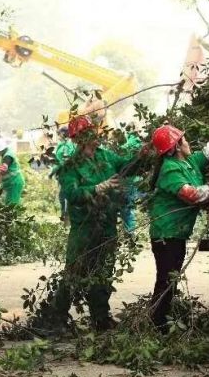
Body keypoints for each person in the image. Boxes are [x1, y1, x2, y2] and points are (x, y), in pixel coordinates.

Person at [44, 115, 139, 332]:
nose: (95, 137)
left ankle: (101, 318)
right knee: (74, 272)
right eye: (89, 134)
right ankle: (56, 320)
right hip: (84, 228)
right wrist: (98, 187)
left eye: (95, 133)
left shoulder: (106, 156)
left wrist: (141, 155)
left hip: (107, 225)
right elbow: (72, 193)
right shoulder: (71, 166)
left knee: (103, 272)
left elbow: (127, 167)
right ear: (79, 139)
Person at [148, 124, 209, 331]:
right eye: (184, 140)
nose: (188, 142)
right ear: (176, 146)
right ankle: (157, 324)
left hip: (176, 234)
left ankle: (159, 321)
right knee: (166, 280)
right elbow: (192, 195)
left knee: (171, 278)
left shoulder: (188, 163)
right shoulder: (170, 169)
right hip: (166, 235)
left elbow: (208, 150)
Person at [50, 126, 76, 222]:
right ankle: (65, 216)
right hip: (62, 175)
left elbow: (65, 160)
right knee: (63, 196)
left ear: (64, 134)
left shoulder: (67, 145)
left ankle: (67, 217)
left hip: (67, 174)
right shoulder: (62, 144)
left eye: (59, 134)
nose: (58, 136)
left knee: (65, 196)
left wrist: (54, 171)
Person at [0, 137, 25, 206]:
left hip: (14, 182)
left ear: (1, 149)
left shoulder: (7, 156)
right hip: (12, 183)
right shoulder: (8, 153)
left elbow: (4, 168)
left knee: (11, 205)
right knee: (11, 202)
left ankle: (14, 216)